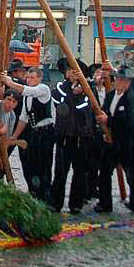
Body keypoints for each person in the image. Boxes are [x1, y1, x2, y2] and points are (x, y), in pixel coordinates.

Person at [96, 66, 134, 214]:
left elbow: (130, 121)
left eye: (123, 79)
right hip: (112, 141)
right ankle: (105, 203)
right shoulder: (111, 95)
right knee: (105, 172)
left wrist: (109, 120)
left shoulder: (133, 98)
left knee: (133, 174)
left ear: (128, 82)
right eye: (118, 79)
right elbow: (104, 110)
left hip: (129, 142)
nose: (119, 82)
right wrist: (102, 122)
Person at [51, 58, 99, 213]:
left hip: (82, 136)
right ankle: (56, 202)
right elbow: (61, 105)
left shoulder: (89, 91)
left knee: (80, 172)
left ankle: (76, 203)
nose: (71, 73)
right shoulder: (60, 87)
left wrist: (82, 92)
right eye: (69, 70)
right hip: (64, 135)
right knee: (60, 171)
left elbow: (85, 108)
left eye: (74, 70)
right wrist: (74, 92)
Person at [3, 65, 54, 204]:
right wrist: (14, 136)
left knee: (44, 166)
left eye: (32, 78)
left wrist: (10, 83)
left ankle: (46, 198)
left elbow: (29, 90)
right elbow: (23, 119)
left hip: (45, 132)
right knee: (30, 164)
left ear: (39, 78)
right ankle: (34, 193)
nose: (29, 80)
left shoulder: (43, 89)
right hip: (34, 132)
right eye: (28, 78)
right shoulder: (27, 97)